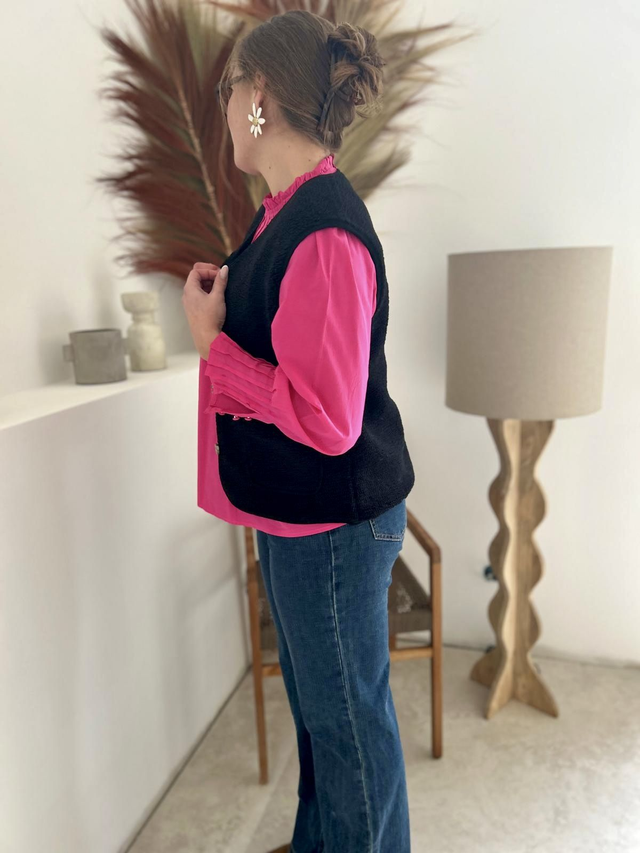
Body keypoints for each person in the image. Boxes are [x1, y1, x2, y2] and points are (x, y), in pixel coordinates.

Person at [182, 10, 415, 852]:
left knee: (348, 727)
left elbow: (327, 417)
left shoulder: (322, 228)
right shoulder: (285, 211)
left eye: (228, 87)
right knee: (326, 720)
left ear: (260, 93)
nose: (224, 107)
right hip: (300, 518)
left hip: (332, 527)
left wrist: (212, 343)